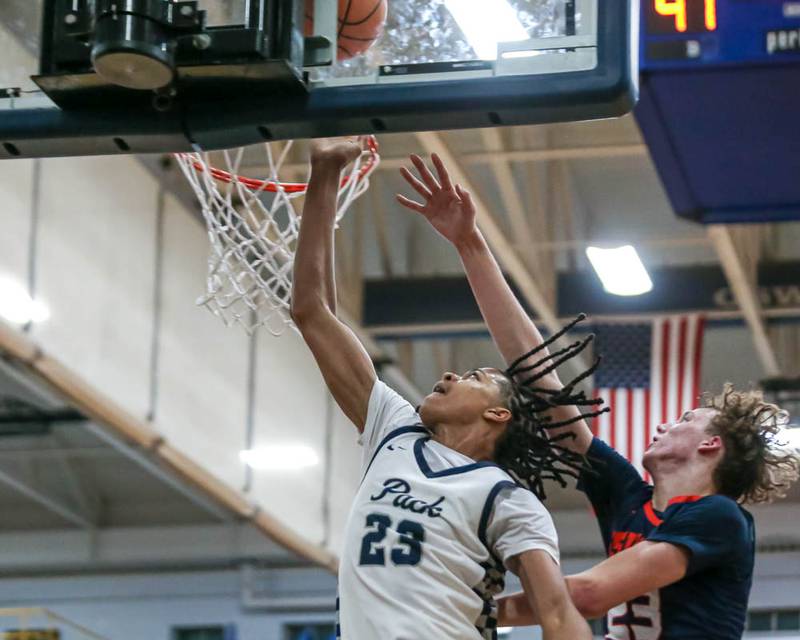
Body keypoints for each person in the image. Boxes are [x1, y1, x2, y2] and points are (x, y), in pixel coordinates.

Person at [396, 152, 800, 640]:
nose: (667, 422)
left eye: (687, 419)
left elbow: (588, 596)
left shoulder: (718, 517)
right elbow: (538, 375)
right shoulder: (628, 494)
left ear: (712, 444)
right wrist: (470, 244)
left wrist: (464, 608)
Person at [290, 138, 593, 640]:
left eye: (474, 378)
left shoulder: (506, 498)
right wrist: (324, 175)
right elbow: (310, 311)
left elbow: (557, 614)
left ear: (499, 415)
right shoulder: (395, 431)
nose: (450, 376)